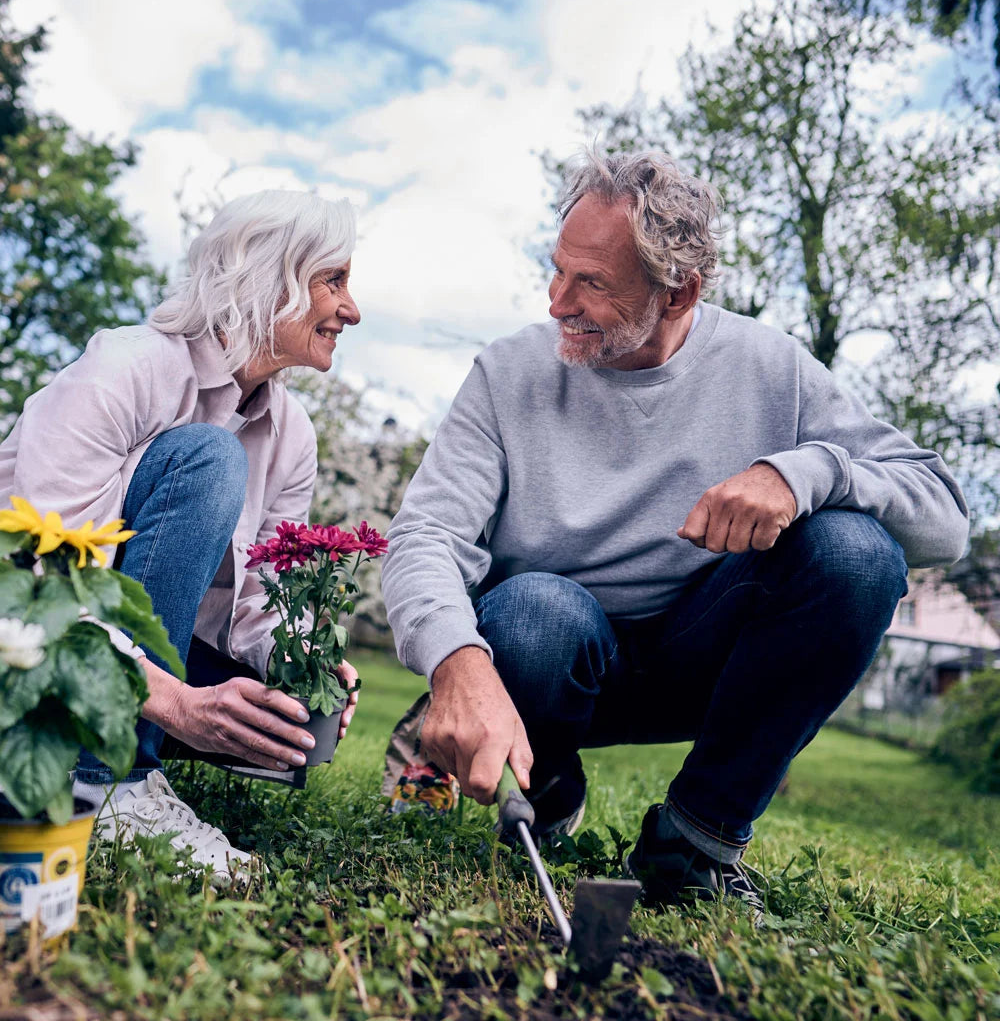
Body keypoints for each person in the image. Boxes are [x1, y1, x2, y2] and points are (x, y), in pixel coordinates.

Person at [380, 150, 969, 916]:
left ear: (679, 291)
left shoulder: (771, 366)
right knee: (534, 616)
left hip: (710, 658)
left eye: (591, 283)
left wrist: (806, 473)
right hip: (553, 653)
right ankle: (550, 780)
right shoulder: (508, 373)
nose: (558, 302)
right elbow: (425, 533)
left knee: (857, 557)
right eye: (558, 270)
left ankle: (695, 844)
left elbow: (946, 521)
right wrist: (455, 662)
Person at [0, 190, 362, 879]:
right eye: (332, 281)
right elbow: (49, 586)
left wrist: (302, 657)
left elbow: (260, 596)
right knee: (209, 458)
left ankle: (114, 763)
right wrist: (178, 702)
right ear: (268, 278)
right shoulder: (125, 368)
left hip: (105, 632)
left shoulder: (292, 435)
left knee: (300, 702)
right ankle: (109, 785)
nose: (351, 309)